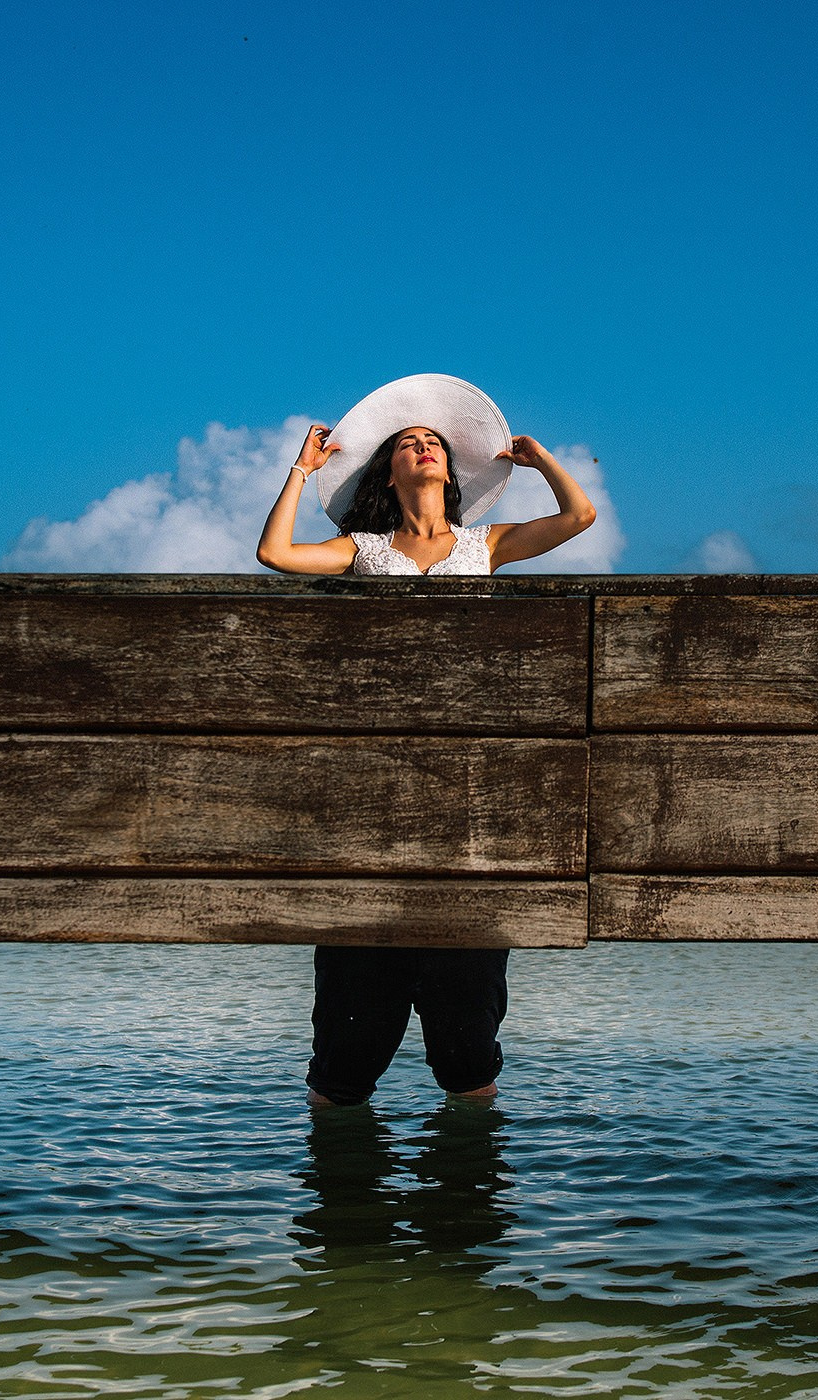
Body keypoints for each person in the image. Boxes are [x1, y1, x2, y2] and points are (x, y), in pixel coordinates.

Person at [254, 373, 598, 1107]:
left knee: (468, 1038)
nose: (423, 447)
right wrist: (300, 471)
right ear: (389, 471)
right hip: (376, 784)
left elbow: (580, 515)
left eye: (434, 441)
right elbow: (276, 553)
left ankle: (466, 1198)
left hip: (469, 786)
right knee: (348, 1045)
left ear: (450, 469)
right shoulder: (361, 549)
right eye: (409, 443)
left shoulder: (485, 545)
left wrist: (541, 463)